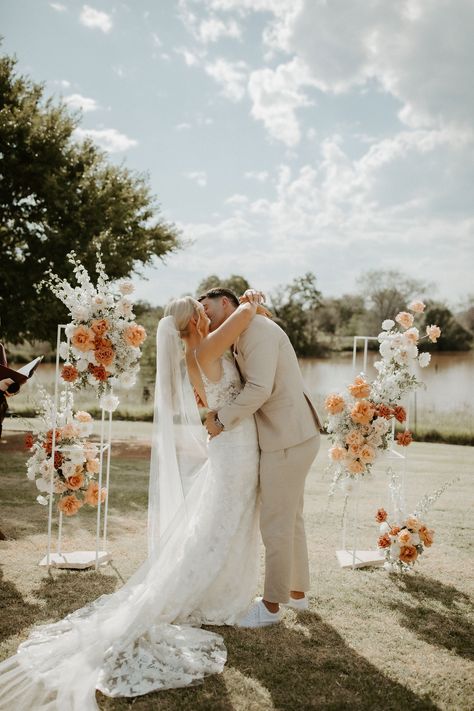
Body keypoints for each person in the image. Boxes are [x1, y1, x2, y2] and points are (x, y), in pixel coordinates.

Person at [0, 292, 264, 710]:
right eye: (203, 310)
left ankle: (217, 585)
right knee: (223, 520)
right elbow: (246, 314)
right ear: (196, 320)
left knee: (220, 521)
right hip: (236, 448)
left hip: (233, 445)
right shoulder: (208, 346)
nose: (208, 313)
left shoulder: (197, 350)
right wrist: (251, 302)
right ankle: (211, 591)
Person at [199, 287, 323, 628]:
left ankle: (270, 607)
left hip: (288, 436)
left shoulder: (258, 331)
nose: (204, 316)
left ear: (225, 303)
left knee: (276, 523)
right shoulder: (245, 327)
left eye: (207, 308)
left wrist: (221, 419)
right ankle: (298, 594)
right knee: (291, 518)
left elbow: (259, 389)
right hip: (292, 434)